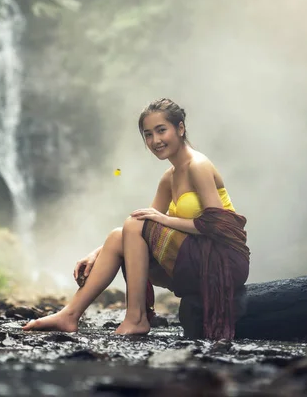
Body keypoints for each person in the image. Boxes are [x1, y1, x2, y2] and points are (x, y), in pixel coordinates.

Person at [23, 98, 250, 339]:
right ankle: (69, 315)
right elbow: (138, 233)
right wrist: (98, 253)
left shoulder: (198, 165)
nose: (155, 141)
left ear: (180, 129)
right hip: (194, 260)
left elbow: (218, 225)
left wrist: (165, 220)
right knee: (119, 234)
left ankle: (137, 318)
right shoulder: (169, 178)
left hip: (224, 260)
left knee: (134, 224)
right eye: (148, 135)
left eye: (162, 130)